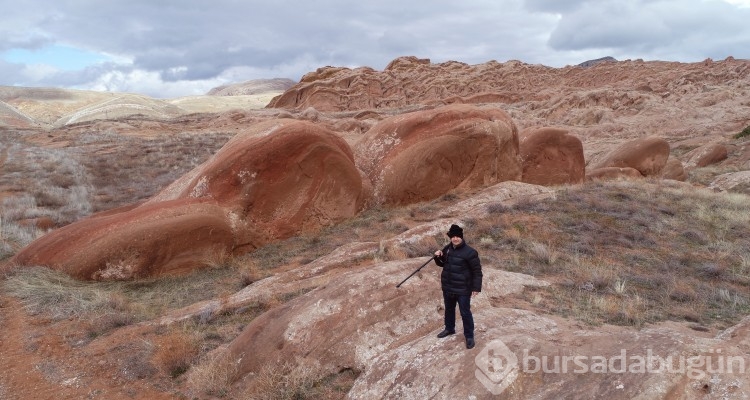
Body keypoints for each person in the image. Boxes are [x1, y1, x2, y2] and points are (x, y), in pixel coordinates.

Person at [433, 224, 482, 349]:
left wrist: (476, 288)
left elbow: (477, 271)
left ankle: (469, 336)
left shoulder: (470, 252)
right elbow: (443, 264)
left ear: (461, 237)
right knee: (449, 309)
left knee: (465, 312)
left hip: (463, 288)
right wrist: (437, 257)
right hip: (448, 286)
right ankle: (449, 329)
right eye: (453, 236)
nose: (455, 239)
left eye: (457, 236)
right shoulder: (448, 248)